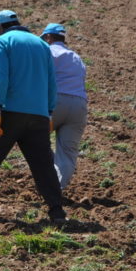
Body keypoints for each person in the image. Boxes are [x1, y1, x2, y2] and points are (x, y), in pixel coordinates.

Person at [0, 10, 66, 223]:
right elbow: (52, 82)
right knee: (43, 166)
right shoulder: (42, 45)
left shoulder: (2, 41)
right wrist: (49, 112)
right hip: (39, 115)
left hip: (10, 112)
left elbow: (0, 78)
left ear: (1, 27)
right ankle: (57, 212)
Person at [41, 23, 88, 191]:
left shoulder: (47, 52)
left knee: (36, 140)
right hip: (79, 105)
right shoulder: (76, 57)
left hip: (56, 102)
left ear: (48, 37)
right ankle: (57, 189)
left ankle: (45, 183)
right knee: (68, 152)